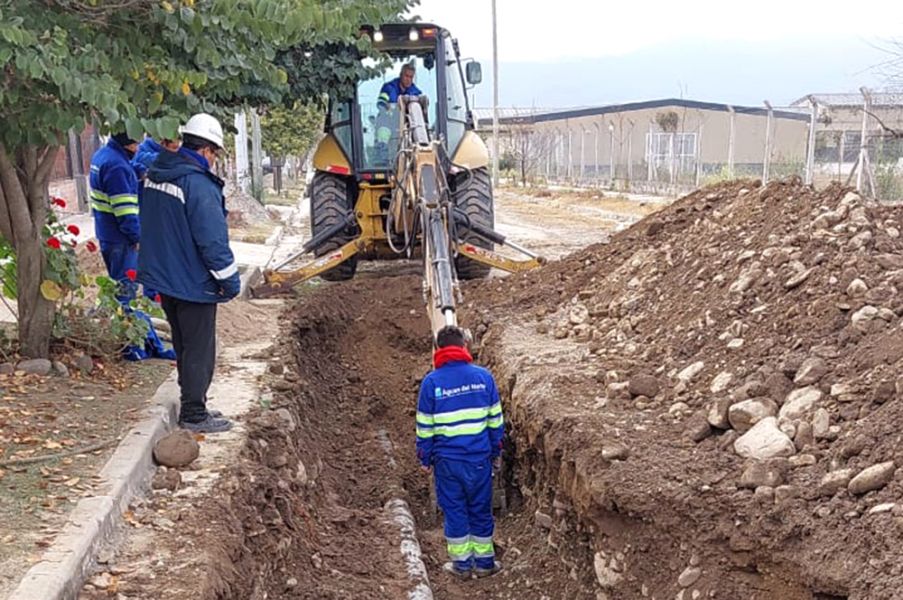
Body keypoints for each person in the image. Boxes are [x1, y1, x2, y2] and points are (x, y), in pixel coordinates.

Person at [138, 113, 240, 434]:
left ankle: (193, 402)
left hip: (166, 277)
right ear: (208, 150)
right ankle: (195, 414)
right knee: (199, 347)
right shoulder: (197, 184)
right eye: (215, 154)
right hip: (192, 280)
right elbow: (212, 240)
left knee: (183, 342)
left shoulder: (157, 174)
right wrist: (229, 281)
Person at [416, 325, 504, 579]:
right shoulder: (484, 377)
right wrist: (496, 450)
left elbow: (425, 427)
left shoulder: (431, 383)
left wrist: (425, 458)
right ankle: (485, 563)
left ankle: (462, 565)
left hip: (447, 462)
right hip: (478, 460)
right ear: (464, 347)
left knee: (455, 510)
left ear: (438, 349)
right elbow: (495, 422)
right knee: (480, 509)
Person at [89, 132, 141, 303]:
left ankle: (113, 320)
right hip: (121, 238)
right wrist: (137, 237)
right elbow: (125, 212)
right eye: (136, 144)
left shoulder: (102, 155)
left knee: (115, 284)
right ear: (128, 144)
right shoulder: (118, 167)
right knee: (125, 290)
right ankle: (124, 323)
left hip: (106, 233)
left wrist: (137, 172)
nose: (138, 148)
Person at [131, 136, 179, 302]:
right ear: (163, 143)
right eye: (174, 147)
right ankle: (151, 298)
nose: (177, 150)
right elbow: (144, 164)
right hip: (147, 216)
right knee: (151, 258)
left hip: (164, 216)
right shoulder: (143, 153)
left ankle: (161, 294)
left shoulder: (161, 153)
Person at [374, 63, 423, 164]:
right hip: (387, 123)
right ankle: (382, 162)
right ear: (401, 75)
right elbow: (381, 104)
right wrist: (389, 110)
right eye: (406, 76)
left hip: (406, 127)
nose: (408, 79)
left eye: (411, 77)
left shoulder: (416, 93)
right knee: (383, 134)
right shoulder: (388, 88)